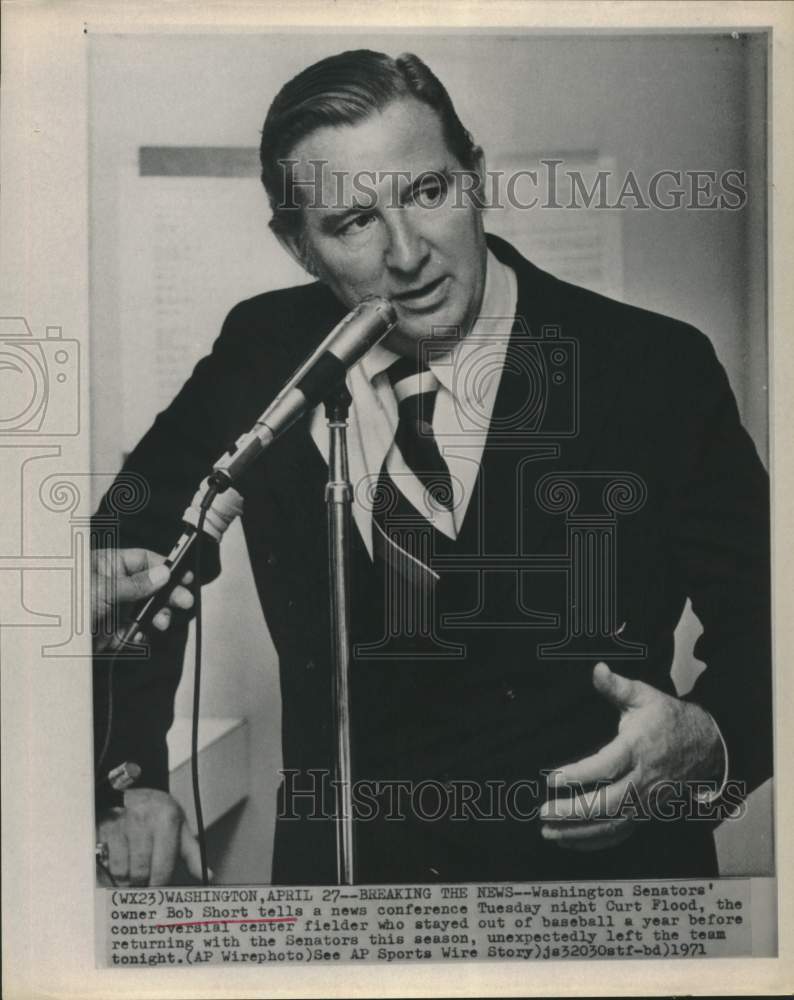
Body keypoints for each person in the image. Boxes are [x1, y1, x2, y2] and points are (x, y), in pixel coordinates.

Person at [93, 49, 771, 886]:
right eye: (352, 223)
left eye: (427, 193)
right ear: (299, 245)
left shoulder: (655, 365)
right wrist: (130, 778)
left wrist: (713, 743)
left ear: (476, 176)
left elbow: (774, 621)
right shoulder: (264, 347)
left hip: (604, 898)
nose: (409, 253)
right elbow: (126, 548)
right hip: (351, 906)